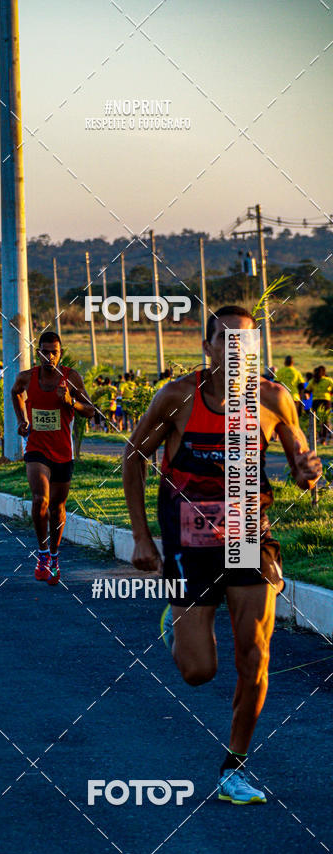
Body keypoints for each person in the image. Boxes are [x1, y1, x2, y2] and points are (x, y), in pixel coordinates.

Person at [123, 305, 321, 805]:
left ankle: (235, 767)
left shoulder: (273, 398)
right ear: (207, 347)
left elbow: (300, 461)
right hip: (189, 542)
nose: (237, 351)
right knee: (199, 671)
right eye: (226, 341)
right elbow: (133, 455)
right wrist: (142, 537)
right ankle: (177, 624)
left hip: (249, 535)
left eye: (246, 343)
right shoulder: (177, 397)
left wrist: (307, 473)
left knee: (255, 653)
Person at [11, 332, 95, 585]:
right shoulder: (27, 377)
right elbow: (15, 392)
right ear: (38, 353)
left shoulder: (71, 378)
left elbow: (90, 410)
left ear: (60, 353)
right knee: (40, 499)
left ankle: (55, 556)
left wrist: (71, 402)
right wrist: (22, 420)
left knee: (58, 507)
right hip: (36, 448)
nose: (49, 356)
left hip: (63, 452)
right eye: (45, 352)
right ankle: (43, 553)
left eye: (54, 352)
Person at [305, 365, 333, 444]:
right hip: (325, 402)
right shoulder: (328, 380)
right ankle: (323, 439)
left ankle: (315, 437)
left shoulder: (312, 381)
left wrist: (307, 397)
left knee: (316, 420)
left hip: (316, 402)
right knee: (325, 421)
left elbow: (306, 391)